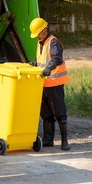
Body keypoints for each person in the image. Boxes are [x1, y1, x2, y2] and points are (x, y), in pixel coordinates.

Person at [29, 17, 70, 151]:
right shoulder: (41, 43)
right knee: (45, 113)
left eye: (39, 34)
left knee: (59, 112)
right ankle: (48, 140)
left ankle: (65, 142)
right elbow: (40, 60)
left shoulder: (53, 42)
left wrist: (48, 68)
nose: (37, 37)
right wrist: (33, 64)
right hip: (43, 84)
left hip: (54, 83)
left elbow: (56, 59)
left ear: (45, 30)